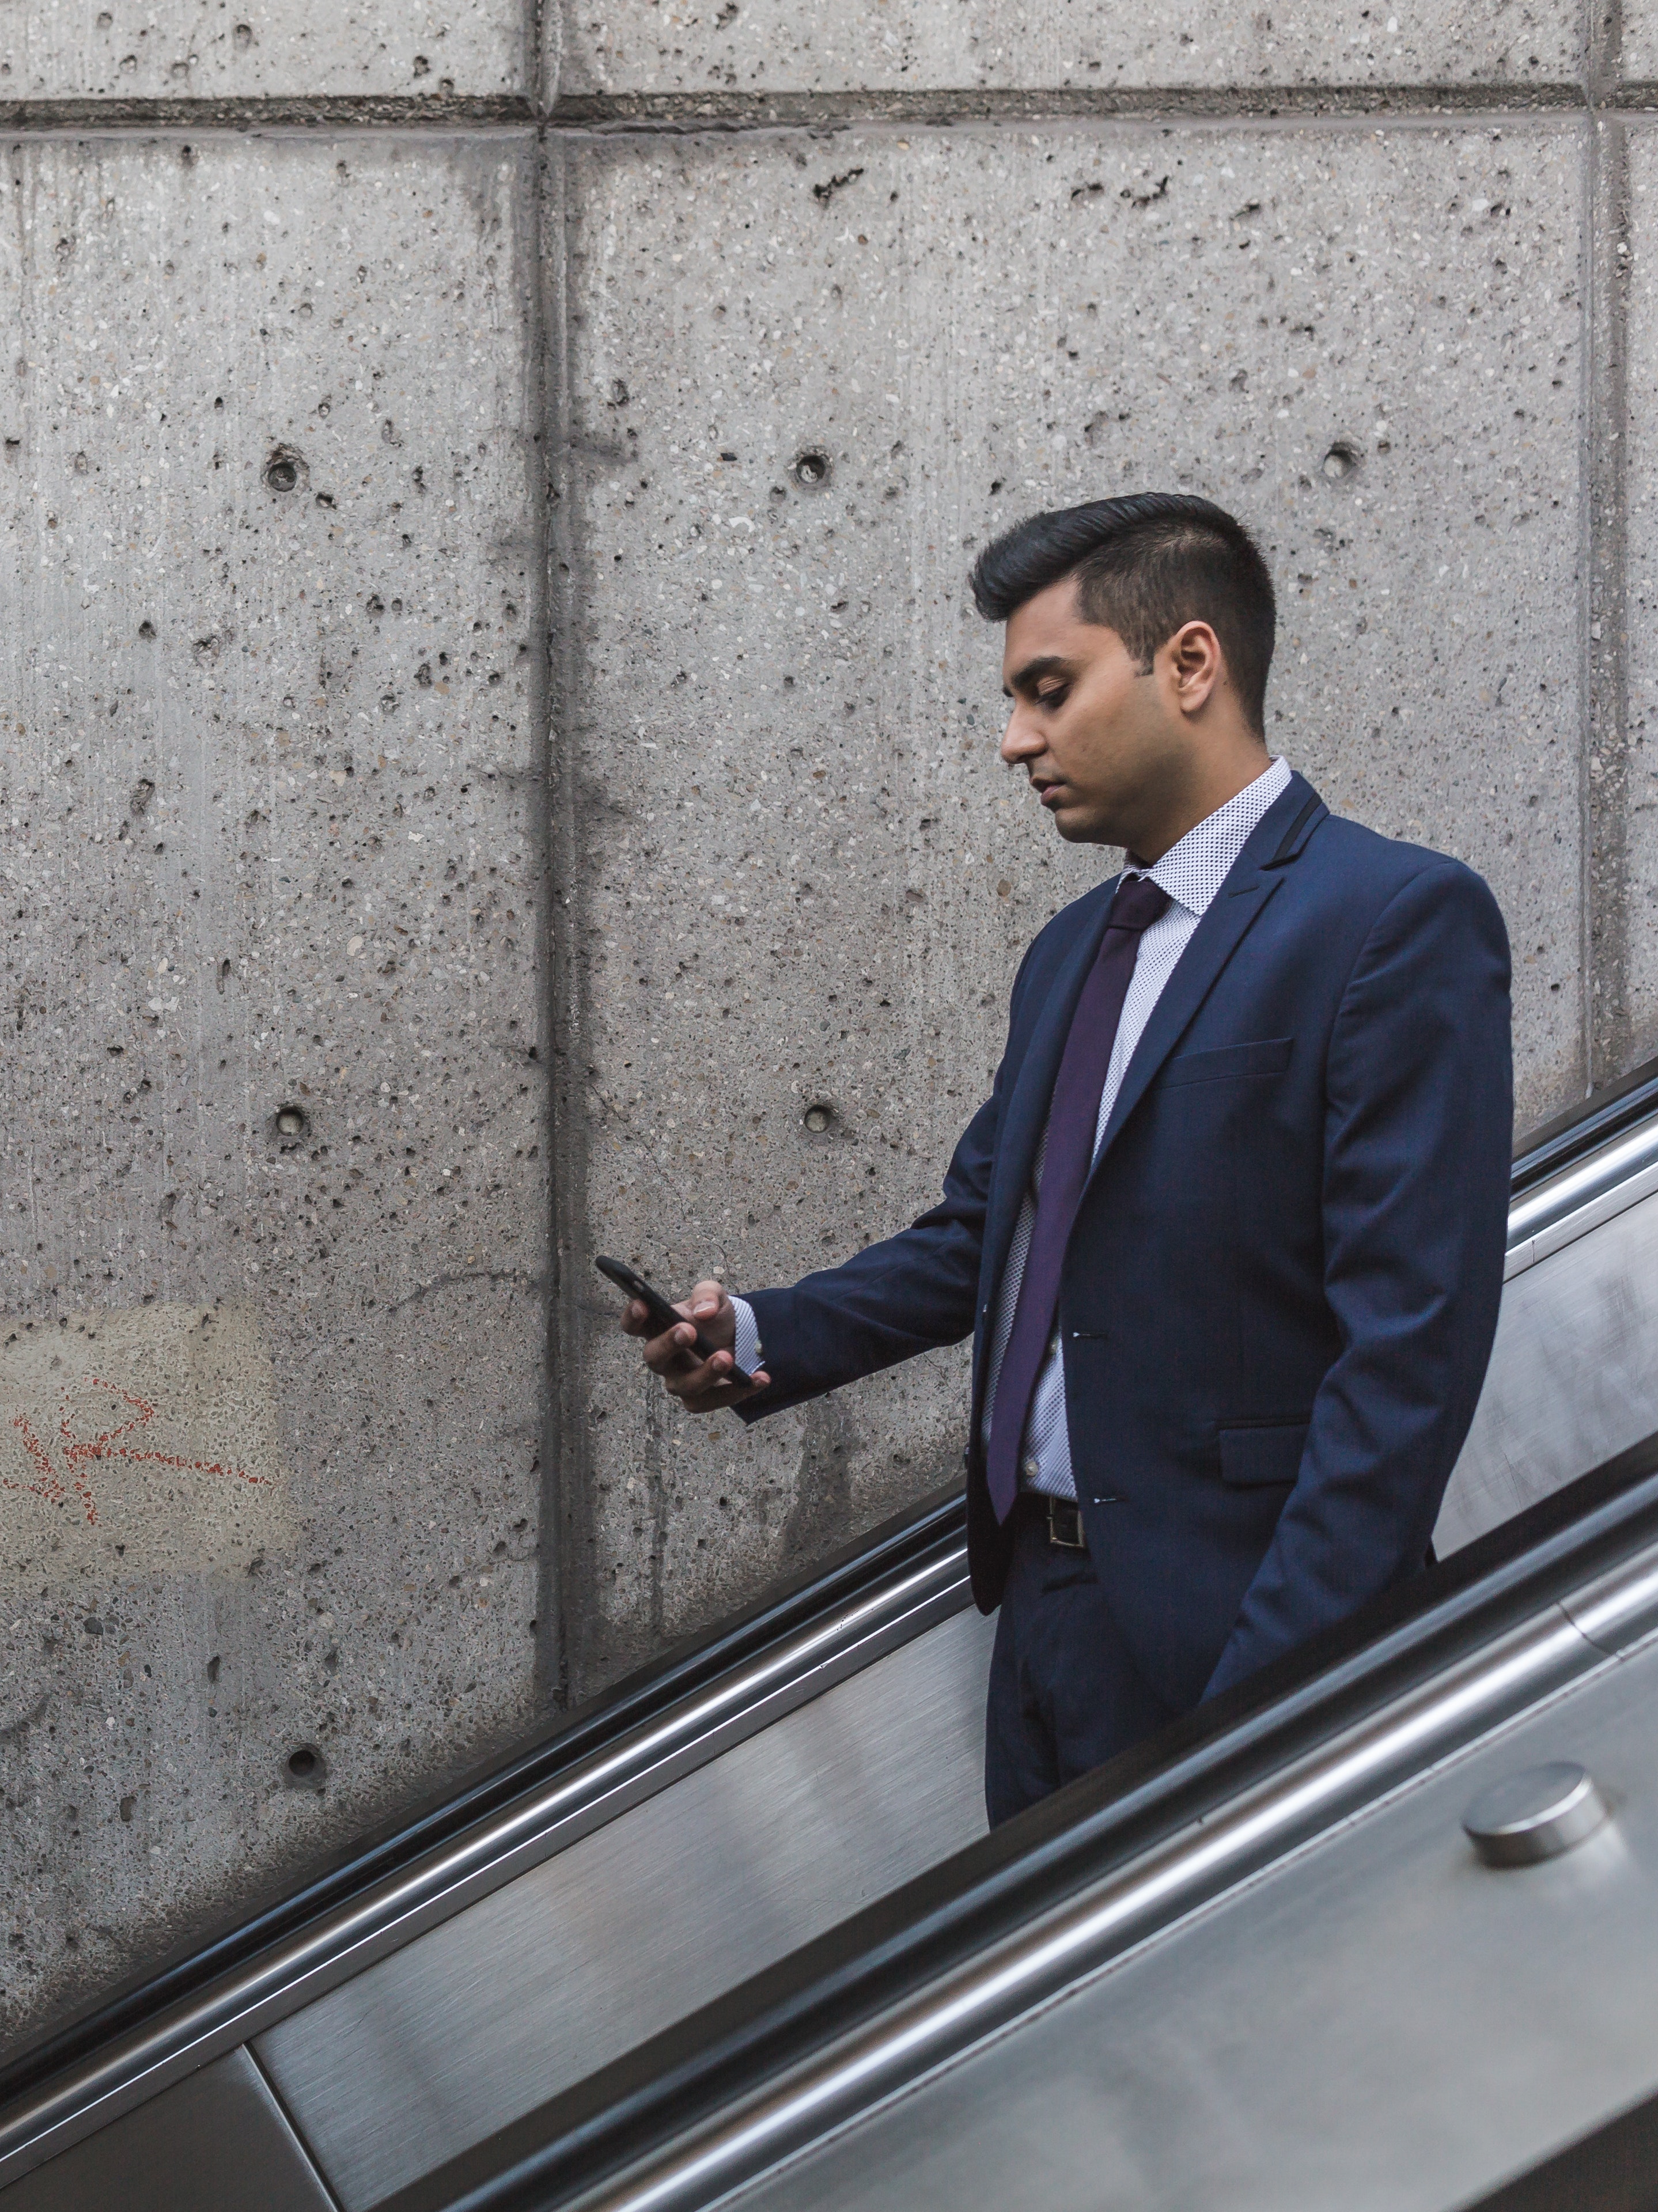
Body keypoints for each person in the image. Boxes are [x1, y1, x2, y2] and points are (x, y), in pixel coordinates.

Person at [623, 492, 1511, 1823]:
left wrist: (1274, 1693)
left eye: (1049, 689)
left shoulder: (1391, 919)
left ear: (1191, 665)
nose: (1013, 740)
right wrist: (756, 1333)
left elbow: (1411, 1353)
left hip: (1246, 1631)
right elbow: (991, 1234)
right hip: (1041, 1618)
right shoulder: (1070, 955)